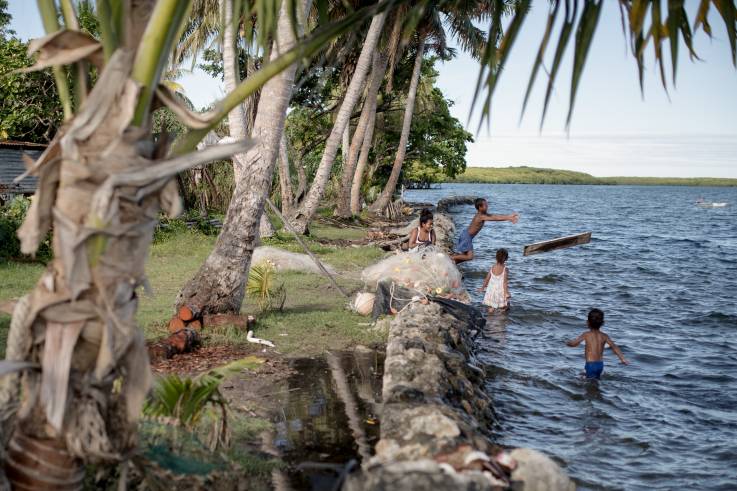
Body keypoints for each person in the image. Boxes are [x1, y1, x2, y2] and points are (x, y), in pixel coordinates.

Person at [451, 198, 519, 264]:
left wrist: (509, 216)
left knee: (464, 256)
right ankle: (451, 257)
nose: (487, 207)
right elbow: (494, 219)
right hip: (466, 237)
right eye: (485, 205)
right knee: (470, 257)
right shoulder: (480, 216)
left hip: (466, 235)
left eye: (487, 205)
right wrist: (508, 218)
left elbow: (495, 216)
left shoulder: (483, 215)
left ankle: (453, 263)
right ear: (480, 207)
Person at [566, 309, 628, 379]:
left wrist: (568, 343)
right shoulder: (604, 336)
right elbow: (614, 347)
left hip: (590, 364)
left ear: (587, 323)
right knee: (595, 381)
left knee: (589, 382)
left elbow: (574, 343)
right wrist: (623, 359)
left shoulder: (586, 334)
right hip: (600, 365)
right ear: (602, 323)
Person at [478, 248, 510, 313]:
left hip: (491, 290)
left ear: (496, 257)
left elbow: (487, 278)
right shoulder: (505, 269)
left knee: (491, 307)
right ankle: (500, 317)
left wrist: (482, 287)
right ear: (506, 258)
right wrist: (506, 293)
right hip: (499, 291)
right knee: (504, 306)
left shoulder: (492, 267)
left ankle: (489, 319)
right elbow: (504, 283)